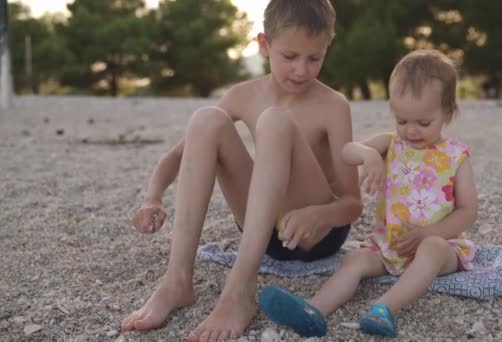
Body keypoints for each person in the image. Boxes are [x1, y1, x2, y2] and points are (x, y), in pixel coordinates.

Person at [120, 1, 362, 341]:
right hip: (261, 232)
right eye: (290, 57)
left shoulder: (333, 105)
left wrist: (320, 215)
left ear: (326, 48)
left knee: (275, 122)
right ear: (264, 44)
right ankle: (177, 281)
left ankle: (240, 290)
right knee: (206, 119)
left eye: (314, 58)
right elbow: (178, 154)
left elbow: (353, 203)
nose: (302, 70)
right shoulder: (245, 94)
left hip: (315, 234)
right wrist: (152, 197)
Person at [259, 49, 478, 338]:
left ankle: (383, 308)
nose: (411, 131)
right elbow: (347, 151)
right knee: (355, 260)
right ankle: (313, 310)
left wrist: (430, 233)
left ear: (448, 113)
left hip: (441, 247)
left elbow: (468, 211)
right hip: (390, 246)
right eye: (402, 120)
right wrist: (370, 155)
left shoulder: (455, 156)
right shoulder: (391, 144)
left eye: (423, 123)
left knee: (433, 248)